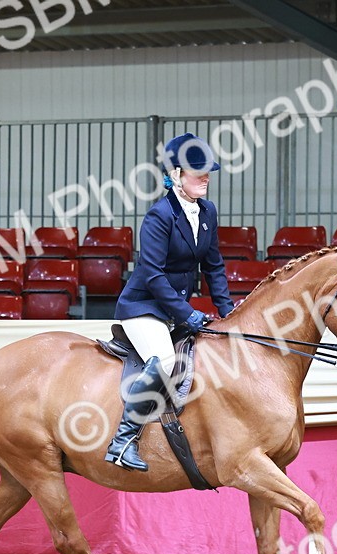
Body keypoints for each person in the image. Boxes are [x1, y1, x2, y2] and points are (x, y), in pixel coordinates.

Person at [105, 133, 234, 472]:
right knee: (163, 360)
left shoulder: (207, 211)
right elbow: (152, 274)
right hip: (144, 307)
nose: (205, 178)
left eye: (208, 172)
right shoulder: (159, 216)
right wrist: (186, 313)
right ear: (176, 175)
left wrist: (229, 312)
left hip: (174, 309)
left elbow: (214, 265)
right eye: (197, 172)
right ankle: (122, 442)